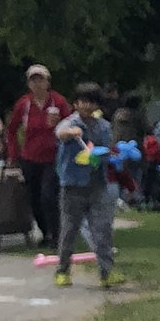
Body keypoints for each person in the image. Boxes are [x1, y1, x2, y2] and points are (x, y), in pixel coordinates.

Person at [51, 81, 123, 288]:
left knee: (102, 228)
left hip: (97, 184)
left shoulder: (104, 126)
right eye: (83, 102)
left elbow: (108, 150)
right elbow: (60, 132)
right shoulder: (70, 123)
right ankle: (63, 270)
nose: (87, 106)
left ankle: (106, 272)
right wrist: (72, 133)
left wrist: (113, 156)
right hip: (72, 185)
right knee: (69, 229)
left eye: (92, 102)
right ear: (75, 104)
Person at [6, 66, 72, 248]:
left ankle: (57, 234)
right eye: (33, 80)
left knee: (48, 195)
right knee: (34, 198)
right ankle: (45, 232)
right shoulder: (24, 104)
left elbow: (72, 125)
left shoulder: (57, 102)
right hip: (30, 157)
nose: (37, 84)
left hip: (54, 157)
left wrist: (60, 125)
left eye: (40, 79)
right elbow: (11, 130)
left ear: (47, 82)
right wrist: (13, 154)